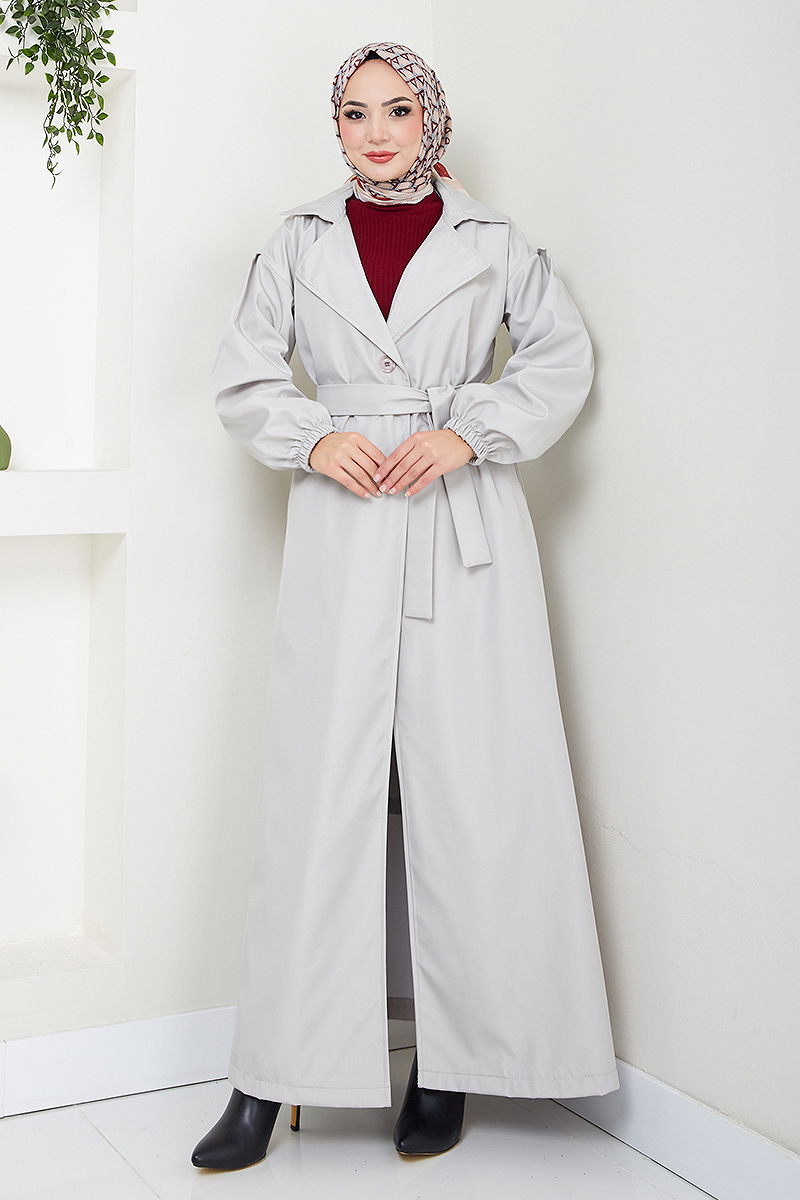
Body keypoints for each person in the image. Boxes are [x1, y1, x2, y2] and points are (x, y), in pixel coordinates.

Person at [192, 41, 620, 1172]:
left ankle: (450, 1063)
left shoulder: (495, 241)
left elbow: (559, 359)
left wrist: (468, 432)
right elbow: (244, 371)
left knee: (472, 789)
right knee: (317, 793)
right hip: (343, 518)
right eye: (353, 113)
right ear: (333, 126)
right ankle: (266, 1077)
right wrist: (314, 436)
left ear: (430, 118)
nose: (375, 132)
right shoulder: (297, 239)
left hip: (461, 519)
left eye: (395, 110)